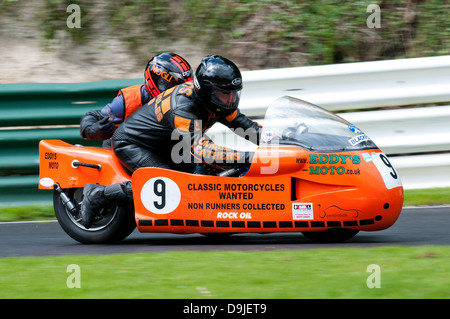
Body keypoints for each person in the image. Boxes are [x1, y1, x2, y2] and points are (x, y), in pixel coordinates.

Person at [80, 55, 262, 229]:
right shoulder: (162, 103)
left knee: (202, 173)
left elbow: (249, 128)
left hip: (169, 142)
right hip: (132, 143)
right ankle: (98, 195)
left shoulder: (216, 101)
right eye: (168, 84)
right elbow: (202, 149)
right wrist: (251, 157)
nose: (230, 100)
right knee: (171, 185)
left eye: (232, 94)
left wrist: (280, 141)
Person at [79, 52, 193, 145]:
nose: (181, 91)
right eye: (175, 86)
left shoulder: (189, 102)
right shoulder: (128, 100)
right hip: (122, 156)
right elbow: (93, 116)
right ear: (159, 83)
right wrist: (93, 130)